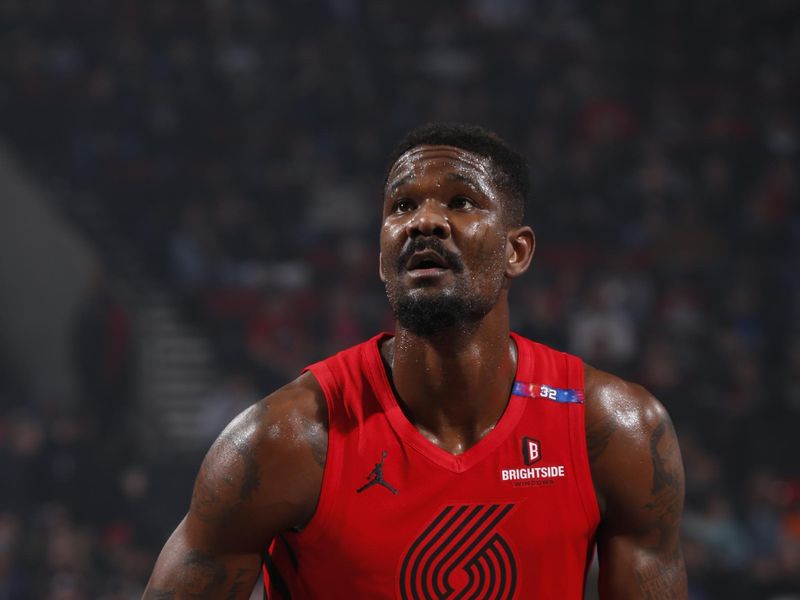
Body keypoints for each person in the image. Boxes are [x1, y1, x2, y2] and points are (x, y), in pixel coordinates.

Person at [144, 123, 687, 599]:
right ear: (383, 258)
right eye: (402, 206)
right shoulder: (285, 440)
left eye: (461, 201)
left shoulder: (615, 429)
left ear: (516, 252)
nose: (424, 220)